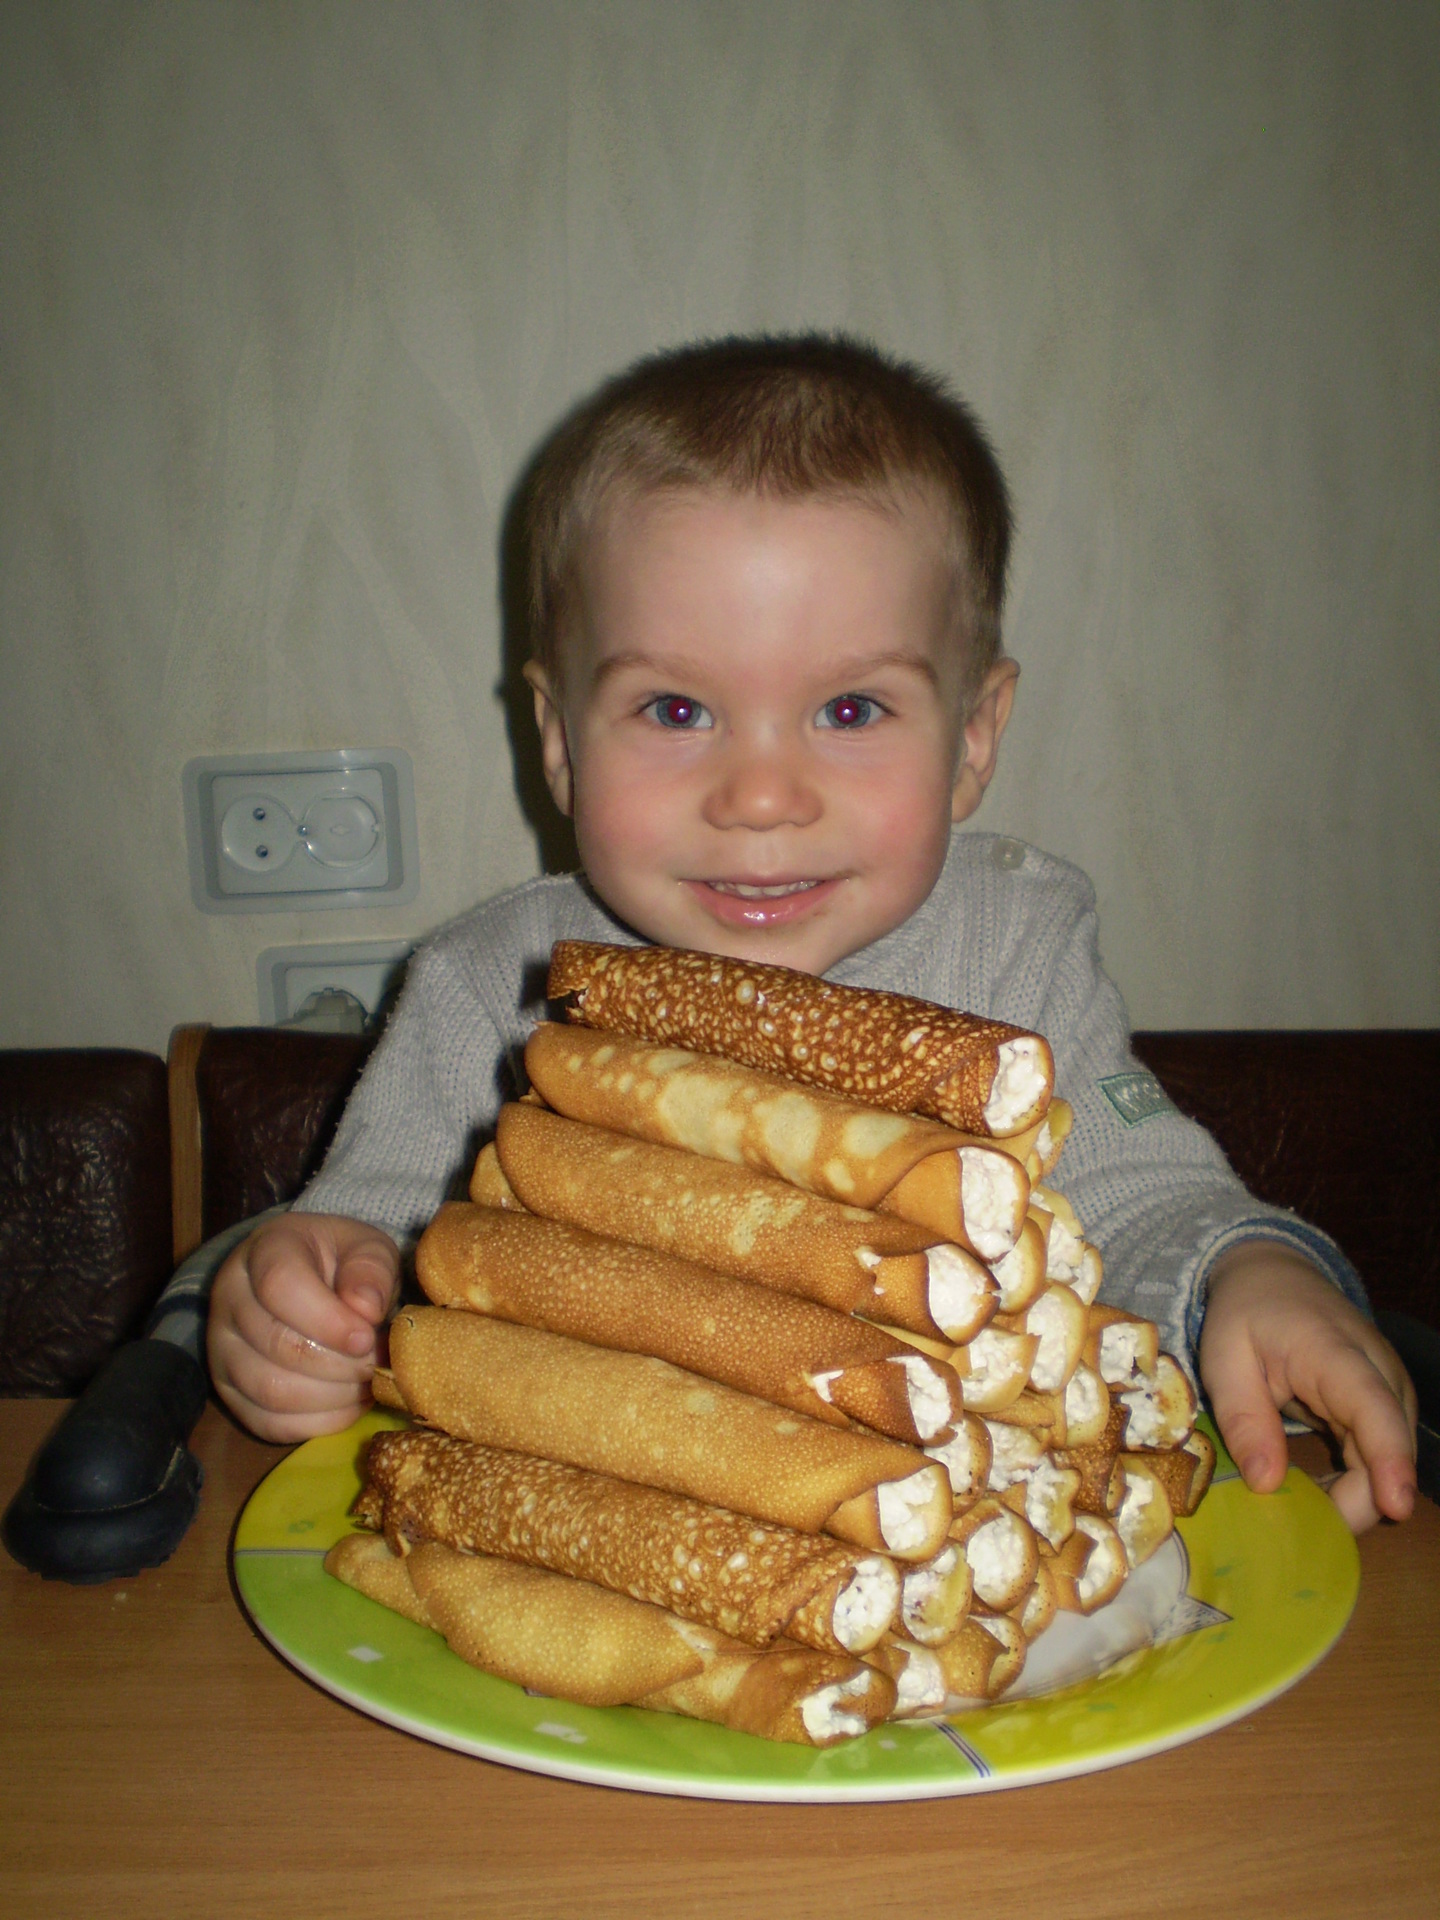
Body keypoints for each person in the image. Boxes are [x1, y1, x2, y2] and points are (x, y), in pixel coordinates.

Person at [207, 334, 1417, 1533]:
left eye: (850, 709)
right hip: (605, 1538)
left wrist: (1249, 1275)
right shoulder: (493, 991)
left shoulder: (1013, 952)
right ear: (560, 739)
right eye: (676, 709)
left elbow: (1139, 1200)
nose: (762, 797)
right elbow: (374, 1236)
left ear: (976, 737)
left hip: (934, 1549)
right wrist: (303, 1301)